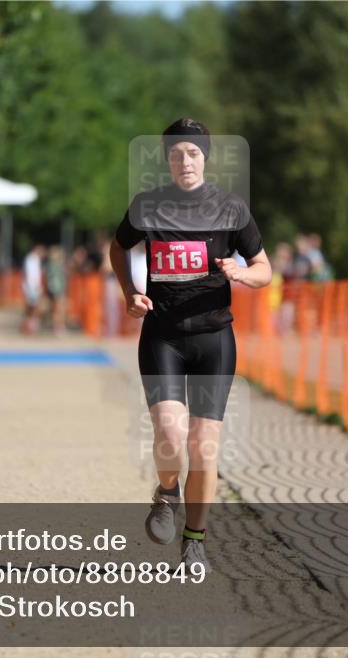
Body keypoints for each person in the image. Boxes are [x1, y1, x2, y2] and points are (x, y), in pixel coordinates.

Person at [109, 118, 272, 573]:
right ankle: (166, 493)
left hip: (214, 338)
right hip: (162, 335)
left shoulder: (230, 209)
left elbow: (265, 268)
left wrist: (242, 274)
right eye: (177, 154)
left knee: (203, 447)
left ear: (206, 158)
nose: (185, 161)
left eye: (194, 153)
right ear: (167, 160)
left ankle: (195, 539)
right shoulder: (148, 206)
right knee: (170, 436)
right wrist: (130, 292)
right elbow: (117, 248)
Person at [21, 244, 46, 335]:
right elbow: (28, 273)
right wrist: (33, 287)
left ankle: (30, 325)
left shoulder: (35, 259)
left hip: (33, 286)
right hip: (31, 287)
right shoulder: (31, 259)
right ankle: (29, 326)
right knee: (33, 307)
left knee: (33, 307)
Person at [45, 245, 68, 335]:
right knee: (57, 309)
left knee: (57, 309)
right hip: (56, 289)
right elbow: (54, 279)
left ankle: (56, 326)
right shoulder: (54, 265)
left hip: (56, 289)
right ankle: (57, 327)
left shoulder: (54, 264)